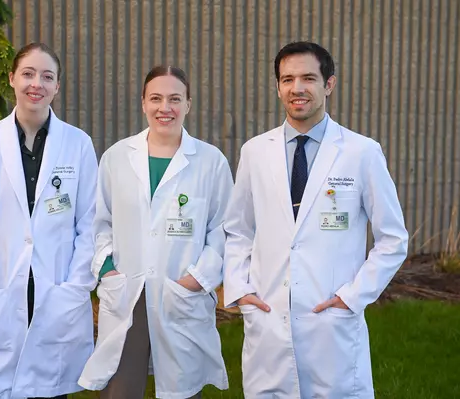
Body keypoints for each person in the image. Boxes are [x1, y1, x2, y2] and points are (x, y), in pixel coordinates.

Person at [223, 41, 409, 398]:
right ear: (278, 86)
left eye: (308, 78)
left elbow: (393, 239)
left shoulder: (361, 152)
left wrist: (353, 296)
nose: (297, 88)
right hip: (268, 319)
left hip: (331, 326)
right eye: (287, 79)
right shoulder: (255, 151)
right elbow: (238, 230)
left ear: (329, 84)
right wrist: (241, 289)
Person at [0, 42, 98, 399]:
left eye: (47, 76)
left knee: (49, 391)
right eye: (28, 74)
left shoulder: (78, 145)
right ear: (12, 79)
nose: (37, 84)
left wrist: (75, 289)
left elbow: (91, 224)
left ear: (57, 86)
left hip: (55, 288)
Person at [78, 66, 232, 398]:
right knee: (120, 389)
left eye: (175, 99)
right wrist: (107, 268)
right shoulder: (117, 158)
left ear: (188, 104)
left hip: (179, 293)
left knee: (181, 388)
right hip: (127, 292)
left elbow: (222, 230)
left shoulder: (211, 162)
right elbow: (98, 222)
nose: (166, 108)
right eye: (156, 99)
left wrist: (196, 279)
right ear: (144, 104)